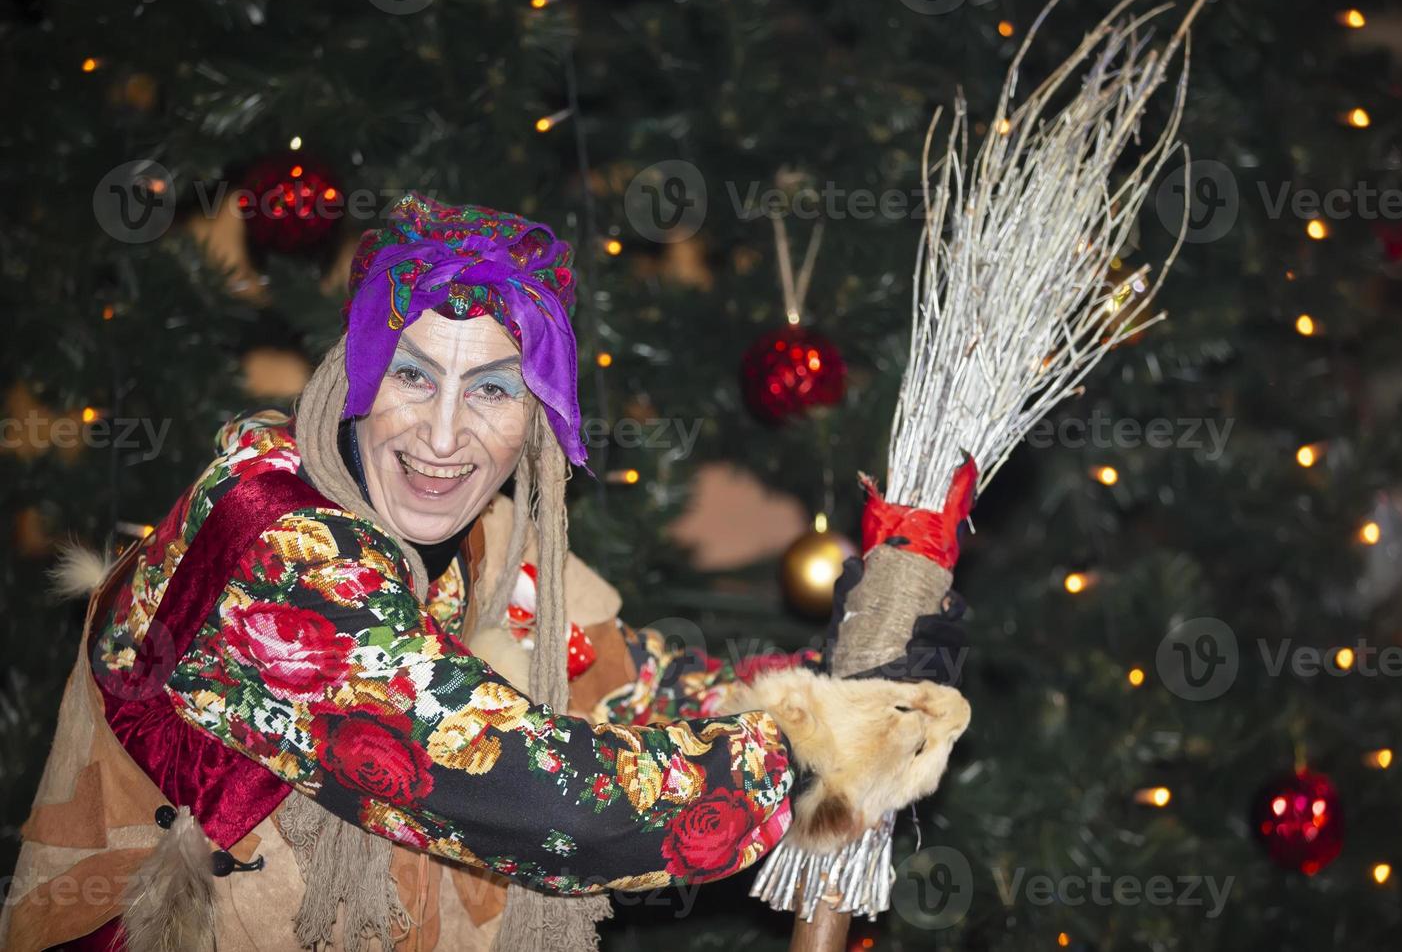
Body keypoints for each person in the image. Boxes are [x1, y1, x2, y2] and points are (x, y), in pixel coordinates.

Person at [3, 194, 969, 952]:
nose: (442, 434)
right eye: (413, 374)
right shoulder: (272, 539)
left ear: (538, 422)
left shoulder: (491, 543)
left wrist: (841, 688)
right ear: (354, 383)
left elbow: (637, 683)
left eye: (495, 388)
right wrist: (805, 751)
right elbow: (523, 786)